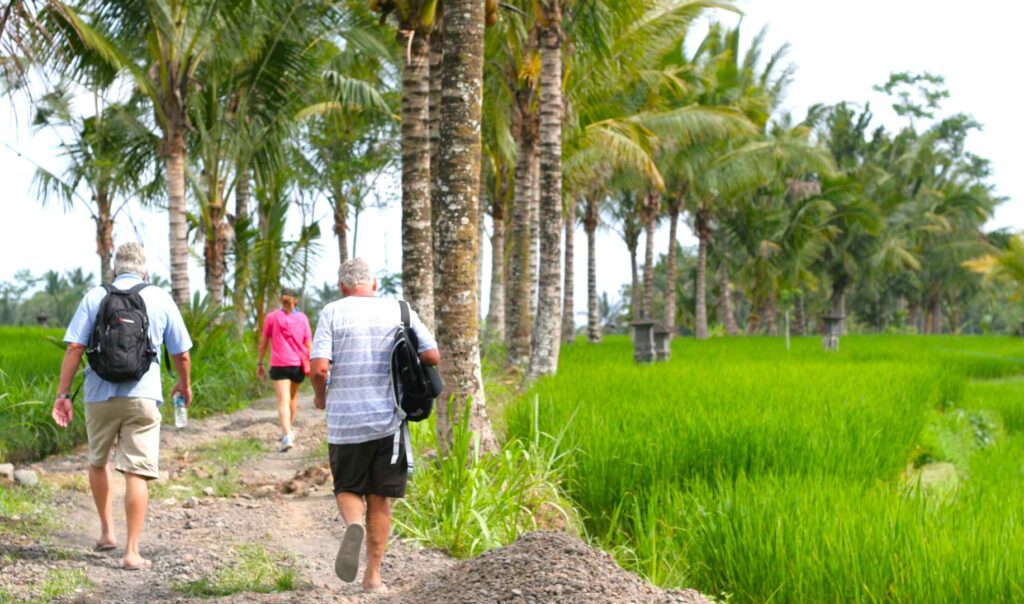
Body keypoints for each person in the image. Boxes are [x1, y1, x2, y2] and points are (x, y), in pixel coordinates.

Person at [51, 242, 192, 571]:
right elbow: (182, 354)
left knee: (98, 462)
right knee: (136, 472)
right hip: (143, 396)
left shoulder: (95, 296)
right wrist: (184, 385)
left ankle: (106, 532)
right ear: (145, 269)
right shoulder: (159, 297)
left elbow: (74, 347)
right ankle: (131, 551)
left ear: (114, 268)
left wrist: (63, 393)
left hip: (99, 395)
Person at [310, 258, 440, 593]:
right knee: (380, 497)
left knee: (348, 487)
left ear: (342, 286)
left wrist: (321, 398)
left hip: (345, 421)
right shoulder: (399, 310)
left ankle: (353, 524)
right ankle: (373, 579)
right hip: (389, 420)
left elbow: (320, 368)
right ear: (375, 283)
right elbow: (432, 355)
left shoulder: (332, 312)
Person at [257, 287, 312, 452]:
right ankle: (288, 430)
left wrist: (259, 362)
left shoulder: (272, 317)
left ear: (281, 299)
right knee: (292, 399)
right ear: (295, 300)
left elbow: (263, 343)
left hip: (279, 364)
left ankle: (287, 434)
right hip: (297, 365)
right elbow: (309, 344)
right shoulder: (302, 319)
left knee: (283, 400)